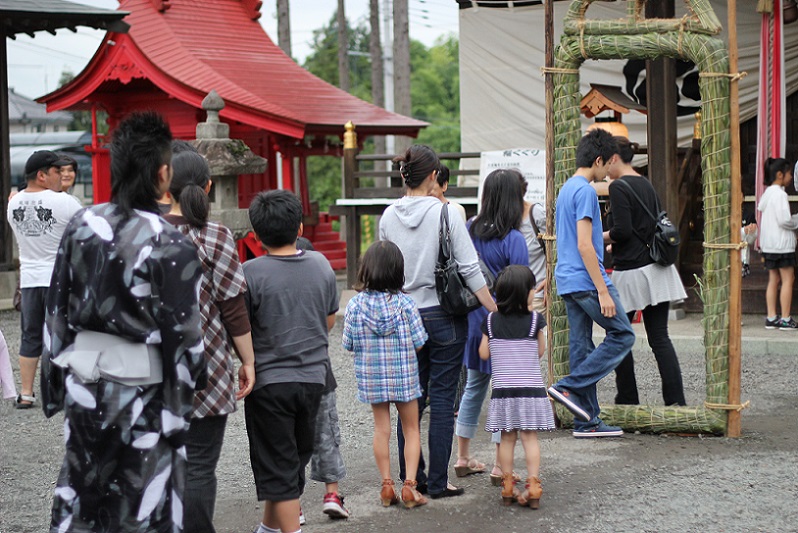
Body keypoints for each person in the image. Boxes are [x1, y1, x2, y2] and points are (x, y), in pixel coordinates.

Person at [41, 111, 207, 532]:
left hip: (85, 382)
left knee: (84, 493)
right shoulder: (171, 243)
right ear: (163, 173)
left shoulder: (81, 225)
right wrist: (181, 408)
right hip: (145, 391)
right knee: (142, 501)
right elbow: (185, 338)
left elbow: (55, 306)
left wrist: (54, 380)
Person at [379, 144, 496, 499]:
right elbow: (470, 269)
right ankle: (438, 481)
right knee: (444, 396)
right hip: (443, 315)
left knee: (409, 399)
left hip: (403, 316)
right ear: (433, 176)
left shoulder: (387, 217)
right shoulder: (447, 215)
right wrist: (494, 309)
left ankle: (410, 477)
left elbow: (384, 271)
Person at [162, 150, 256, 532]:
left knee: (158, 462)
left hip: (151, 367)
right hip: (207, 364)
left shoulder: (143, 233)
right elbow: (233, 308)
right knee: (199, 466)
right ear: (209, 186)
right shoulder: (215, 235)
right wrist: (247, 361)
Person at [243, 190, 338, 533]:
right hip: (313, 379)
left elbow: (242, 328)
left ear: (255, 235)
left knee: (278, 465)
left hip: (269, 383)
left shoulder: (249, 273)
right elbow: (328, 320)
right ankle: (268, 529)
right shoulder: (321, 264)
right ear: (299, 227)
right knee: (290, 461)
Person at [547, 129, 635, 438]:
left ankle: (587, 420)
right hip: (586, 280)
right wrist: (602, 289)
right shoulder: (584, 192)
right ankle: (567, 387)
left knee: (581, 347)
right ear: (598, 160)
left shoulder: (567, 188)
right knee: (623, 335)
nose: (608, 170)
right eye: (607, 164)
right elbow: (586, 245)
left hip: (568, 279)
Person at [453, 169, 528, 483]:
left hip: (472, 322)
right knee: (503, 394)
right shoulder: (514, 240)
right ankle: (500, 464)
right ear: (513, 200)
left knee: (473, 389)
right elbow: (521, 286)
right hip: (503, 324)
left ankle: (463, 456)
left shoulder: (469, 228)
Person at [342, 240, 429, 509]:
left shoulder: (355, 305)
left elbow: (348, 343)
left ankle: (386, 485)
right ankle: (410, 487)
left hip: (373, 378)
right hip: (404, 376)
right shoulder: (405, 304)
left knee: (382, 430)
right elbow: (419, 341)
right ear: (397, 271)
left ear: (366, 269)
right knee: (411, 429)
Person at [603, 137, 687, 406]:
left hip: (631, 271)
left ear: (614, 158)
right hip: (657, 269)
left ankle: (627, 398)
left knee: (618, 335)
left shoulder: (618, 187)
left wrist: (599, 236)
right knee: (660, 338)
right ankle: (675, 403)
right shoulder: (645, 182)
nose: (604, 167)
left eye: (606, 161)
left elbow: (622, 231)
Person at [7, 150, 82, 409]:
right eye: (55, 172)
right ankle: (62, 392)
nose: (61, 176)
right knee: (62, 334)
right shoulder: (66, 202)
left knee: (30, 336)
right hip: (59, 279)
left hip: (29, 280)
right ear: (41, 175)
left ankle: (26, 393)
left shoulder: (13, 203)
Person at [479, 265, 554, 508]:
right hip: (531, 391)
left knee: (508, 438)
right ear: (524, 293)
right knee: (529, 438)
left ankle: (508, 484)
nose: (534, 291)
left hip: (504, 393)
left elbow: (483, 354)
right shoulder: (535, 321)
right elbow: (541, 351)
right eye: (532, 288)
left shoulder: (490, 321)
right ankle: (533, 484)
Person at [293, 238, 349, 523]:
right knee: (326, 436)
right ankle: (332, 495)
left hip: (283, 377)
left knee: (288, 441)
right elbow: (329, 324)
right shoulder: (320, 282)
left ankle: (294, 506)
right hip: (319, 374)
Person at [757, 157, 798, 330]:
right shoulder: (781, 194)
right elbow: (784, 220)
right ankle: (786, 318)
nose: (791, 177)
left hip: (769, 245)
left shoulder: (766, 194)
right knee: (789, 278)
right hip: (782, 244)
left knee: (773, 279)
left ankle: (772, 316)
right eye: (789, 174)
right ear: (780, 175)